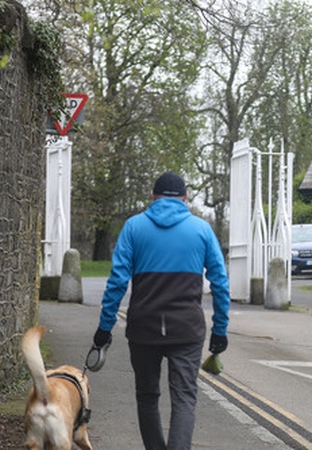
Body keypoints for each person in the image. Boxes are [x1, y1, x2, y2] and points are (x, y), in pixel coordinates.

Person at [91, 172, 230, 450]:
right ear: (185, 198)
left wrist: (105, 327)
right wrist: (220, 330)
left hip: (144, 328)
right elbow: (220, 283)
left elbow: (117, 281)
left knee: (146, 396)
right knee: (184, 399)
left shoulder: (133, 228)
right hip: (186, 330)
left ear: (153, 196)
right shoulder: (202, 230)